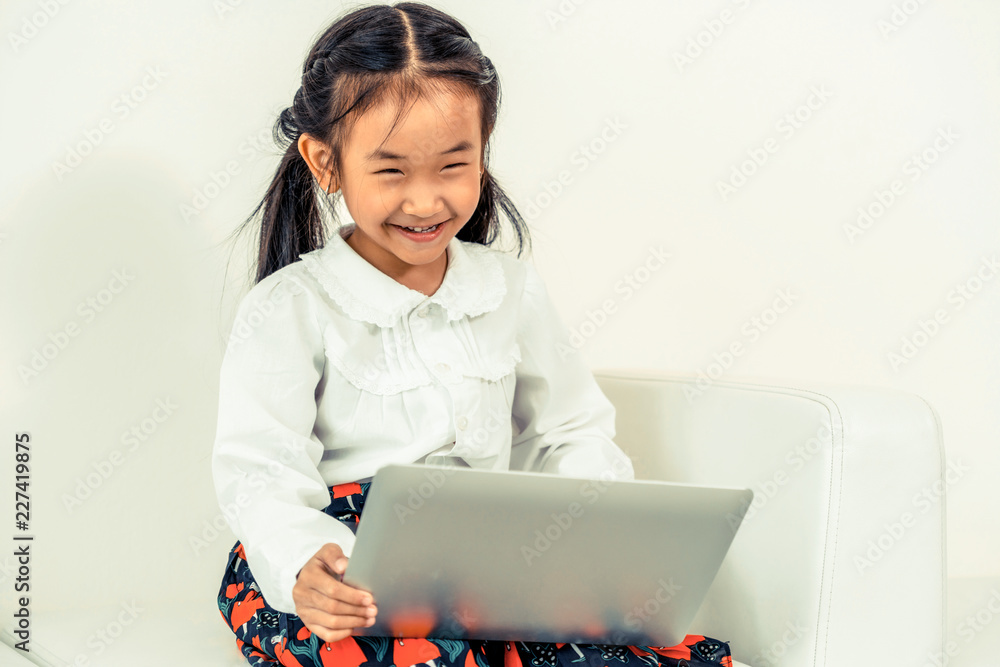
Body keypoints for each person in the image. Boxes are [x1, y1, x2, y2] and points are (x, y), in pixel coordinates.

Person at [211, 3, 736, 666]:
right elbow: (259, 471)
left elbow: (566, 431)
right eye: (392, 170)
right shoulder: (286, 307)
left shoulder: (510, 289)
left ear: (482, 152)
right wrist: (305, 562)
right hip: (349, 571)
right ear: (326, 162)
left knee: (616, 651)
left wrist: (593, 533)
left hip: (491, 563)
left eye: (453, 166)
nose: (426, 201)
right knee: (413, 653)